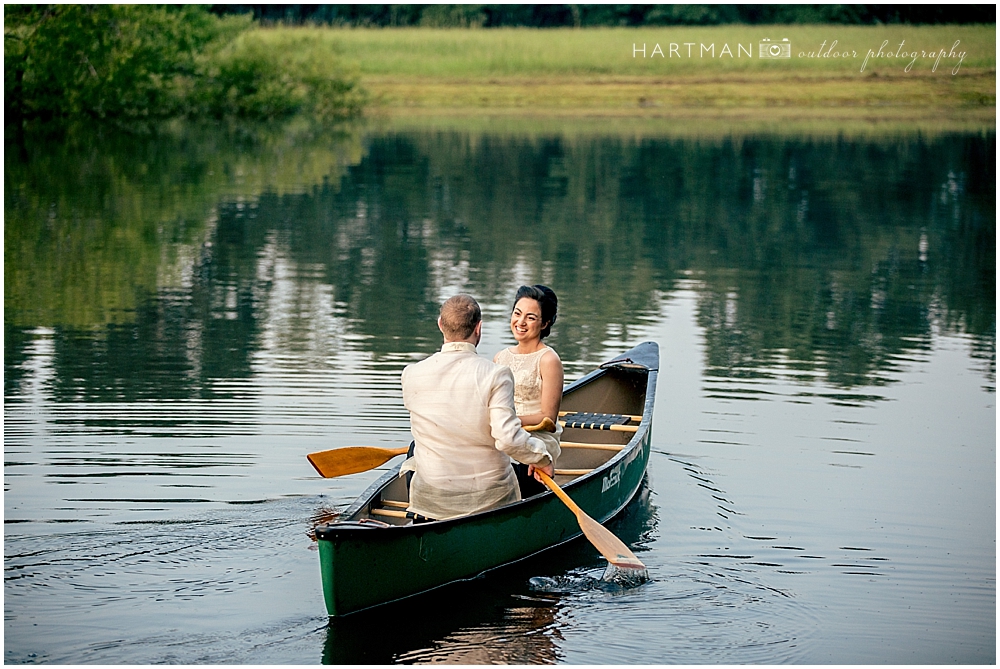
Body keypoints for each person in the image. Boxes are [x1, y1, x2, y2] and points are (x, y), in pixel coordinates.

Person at [399, 294, 558, 521]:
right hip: (488, 501)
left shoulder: (411, 374)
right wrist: (542, 459)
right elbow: (508, 439)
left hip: (431, 500)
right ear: (479, 328)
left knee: (415, 449)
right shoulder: (496, 374)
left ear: (440, 325)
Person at [493, 285, 564, 498]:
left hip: (538, 437)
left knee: (520, 473)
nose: (521, 322)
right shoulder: (500, 358)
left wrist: (507, 420)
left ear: (545, 323)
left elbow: (548, 418)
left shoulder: (549, 360)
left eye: (530, 318)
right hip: (506, 432)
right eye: (517, 313)